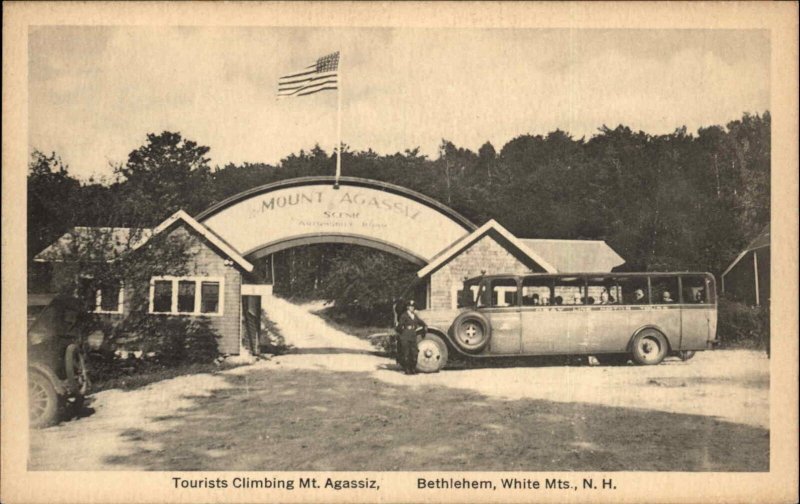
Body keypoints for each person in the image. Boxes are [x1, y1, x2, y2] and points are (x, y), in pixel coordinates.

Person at [396, 299, 427, 375]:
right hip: (405, 335)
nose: (412, 308)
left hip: (413, 335)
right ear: (407, 307)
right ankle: (407, 370)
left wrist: (425, 326)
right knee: (406, 353)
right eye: (410, 306)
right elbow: (399, 327)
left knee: (414, 353)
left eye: (413, 307)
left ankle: (413, 369)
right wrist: (402, 334)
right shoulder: (404, 315)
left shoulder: (414, 316)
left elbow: (421, 322)